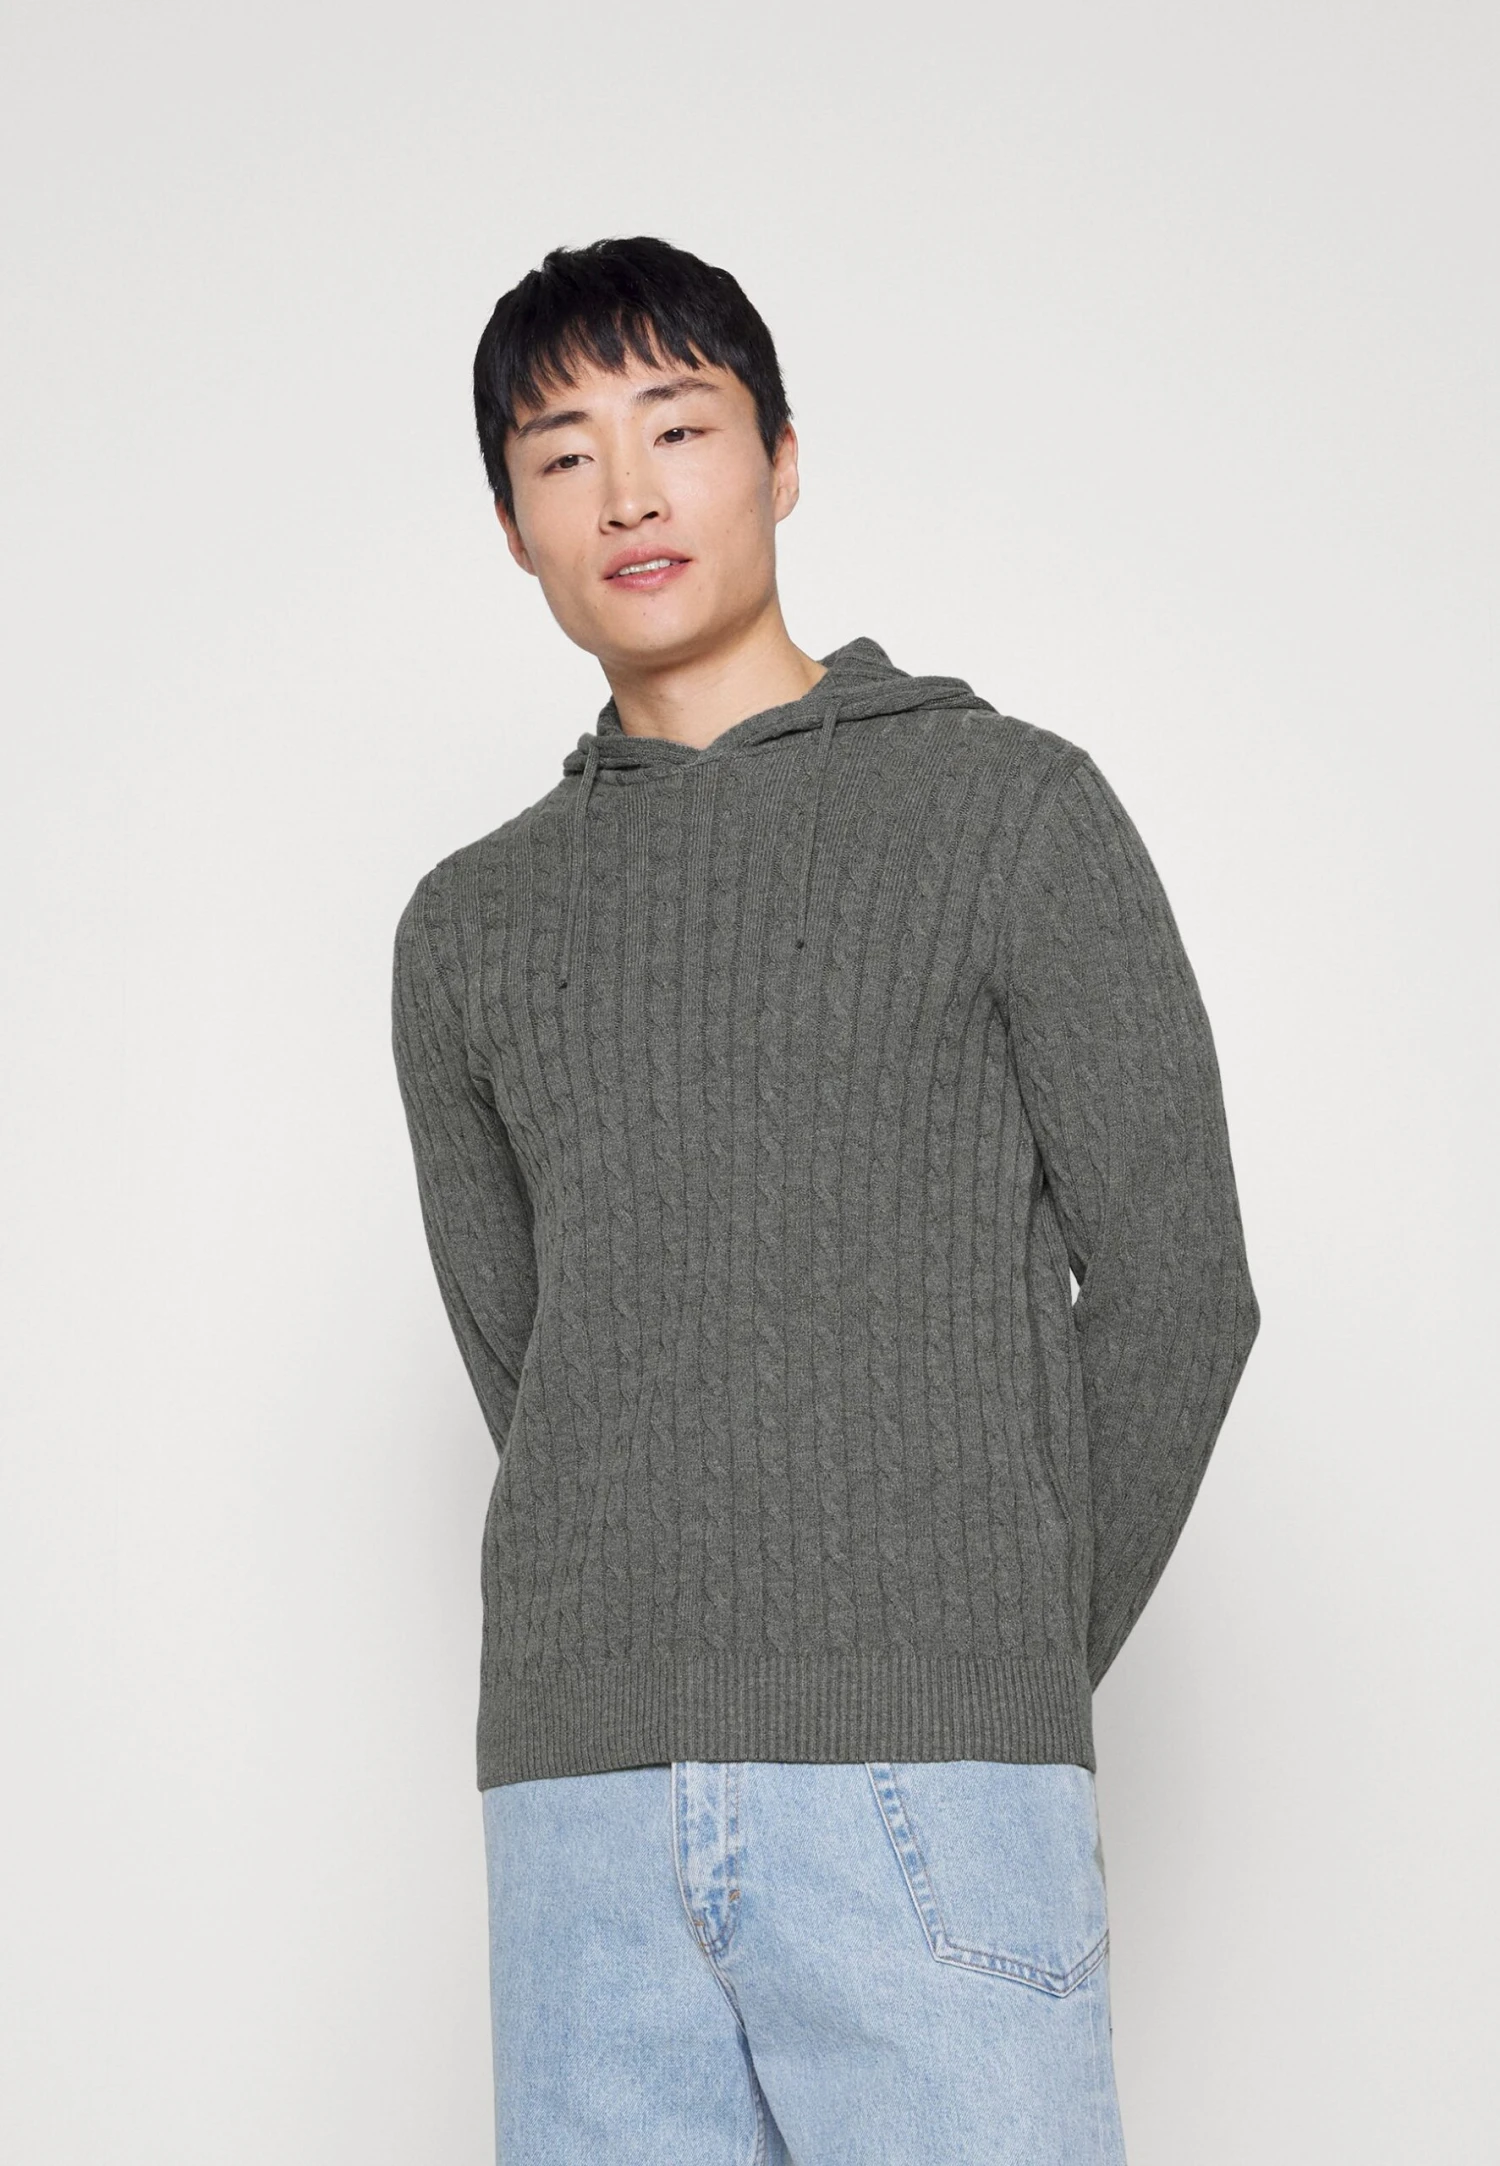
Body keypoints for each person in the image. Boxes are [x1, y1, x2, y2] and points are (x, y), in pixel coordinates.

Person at [390, 234, 1260, 2166]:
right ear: (513, 529)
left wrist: (990, 1653)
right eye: (563, 455)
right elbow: (539, 1370)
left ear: (782, 459)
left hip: (933, 1782)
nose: (628, 493)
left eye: (678, 427)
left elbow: (1184, 1283)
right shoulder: (468, 928)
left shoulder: (1010, 813)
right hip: (583, 1805)